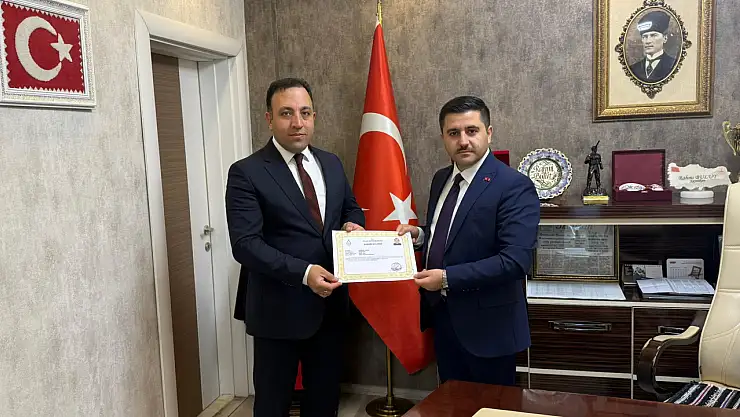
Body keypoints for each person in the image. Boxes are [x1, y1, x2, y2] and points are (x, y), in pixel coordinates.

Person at [226, 77, 365, 417]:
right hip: (277, 311)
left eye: (305, 112)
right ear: (269, 119)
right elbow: (246, 245)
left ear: (314, 116)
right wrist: (304, 273)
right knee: (273, 406)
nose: (297, 122)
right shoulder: (247, 172)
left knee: (324, 403)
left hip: (330, 308)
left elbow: (350, 207)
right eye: (286, 113)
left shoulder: (331, 163)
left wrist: (354, 224)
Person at [396, 96, 540, 386]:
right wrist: (421, 235)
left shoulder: (514, 185)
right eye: (453, 133)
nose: (463, 141)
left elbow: (515, 261)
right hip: (443, 318)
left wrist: (446, 278)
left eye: (471, 131)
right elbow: (451, 232)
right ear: (443, 138)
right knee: (452, 400)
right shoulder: (441, 179)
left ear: (489, 133)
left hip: (489, 328)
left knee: (490, 404)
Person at [629, 10, 677, 83]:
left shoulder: (673, 65)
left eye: (653, 35)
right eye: (645, 37)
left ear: (665, 38)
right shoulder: (634, 68)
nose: (648, 41)